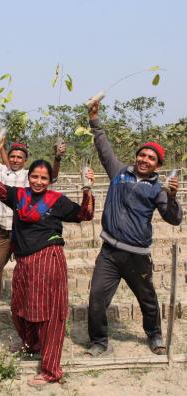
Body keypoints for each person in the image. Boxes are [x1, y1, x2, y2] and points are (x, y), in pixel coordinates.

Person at [0, 140, 95, 386]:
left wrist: (87, 188)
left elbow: (84, 214)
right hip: (24, 261)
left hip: (48, 259)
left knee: (48, 313)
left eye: (43, 178)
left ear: (49, 181)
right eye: (34, 176)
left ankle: (51, 369)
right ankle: (32, 345)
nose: (38, 182)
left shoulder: (56, 200)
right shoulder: (18, 196)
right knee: (20, 308)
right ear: (28, 177)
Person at [86, 101, 183, 357]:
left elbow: (174, 219)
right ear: (136, 156)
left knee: (148, 300)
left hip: (137, 255)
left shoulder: (158, 190)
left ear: (157, 165)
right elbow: (103, 147)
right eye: (142, 155)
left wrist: (172, 197)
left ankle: (154, 335)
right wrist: (94, 120)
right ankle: (98, 341)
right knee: (96, 298)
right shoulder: (119, 173)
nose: (145, 159)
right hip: (108, 253)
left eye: (151, 158)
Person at [0, 126, 66, 307]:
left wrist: (57, 158)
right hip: (3, 231)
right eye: (13, 156)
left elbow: (53, 176)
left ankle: (28, 301)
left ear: (26, 160)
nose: (15, 160)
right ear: (8, 157)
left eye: (20, 157)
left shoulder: (30, 176)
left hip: (25, 231)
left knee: (29, 267)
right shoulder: (1, 171)